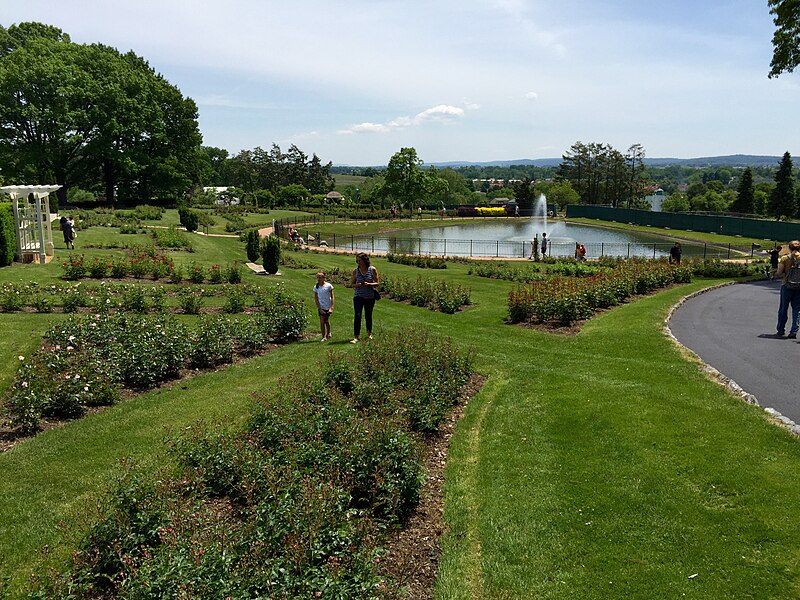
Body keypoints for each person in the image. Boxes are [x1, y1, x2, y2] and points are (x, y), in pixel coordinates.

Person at [350, 252, 379, 343]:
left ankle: (369, 333)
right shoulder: (356, 271)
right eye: (357, 261)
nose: (358, 262)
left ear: (364, 260)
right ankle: (356, 336)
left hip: (369, 297)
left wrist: (369, 284)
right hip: (358, 296)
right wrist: (358, 285)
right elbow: (352, 284)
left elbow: (377, 283)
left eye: (360, 260)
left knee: (368, 315)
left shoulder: (372, 269)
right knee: (357, 315)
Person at [774, 240, 800, 339]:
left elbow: (779, 272)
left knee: (783, 308)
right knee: (797, 309)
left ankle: (781, 329)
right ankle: (794, 330)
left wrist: (784, 272)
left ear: (789, 248)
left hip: (787, 285)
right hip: (799, 287)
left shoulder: (785, 258)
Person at [313, 271, 334, 342]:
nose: (318, 279)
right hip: (321, 307)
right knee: (322, 321)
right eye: (317, 278)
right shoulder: (316, 287)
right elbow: (316, 298)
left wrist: (331, 307)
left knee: (326, 321)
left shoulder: (328, 286)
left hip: (327, 306)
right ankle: (323, 336)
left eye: (320, 278)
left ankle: (329, 332)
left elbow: (332, 297)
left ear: (324, 278)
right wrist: (319, 308)